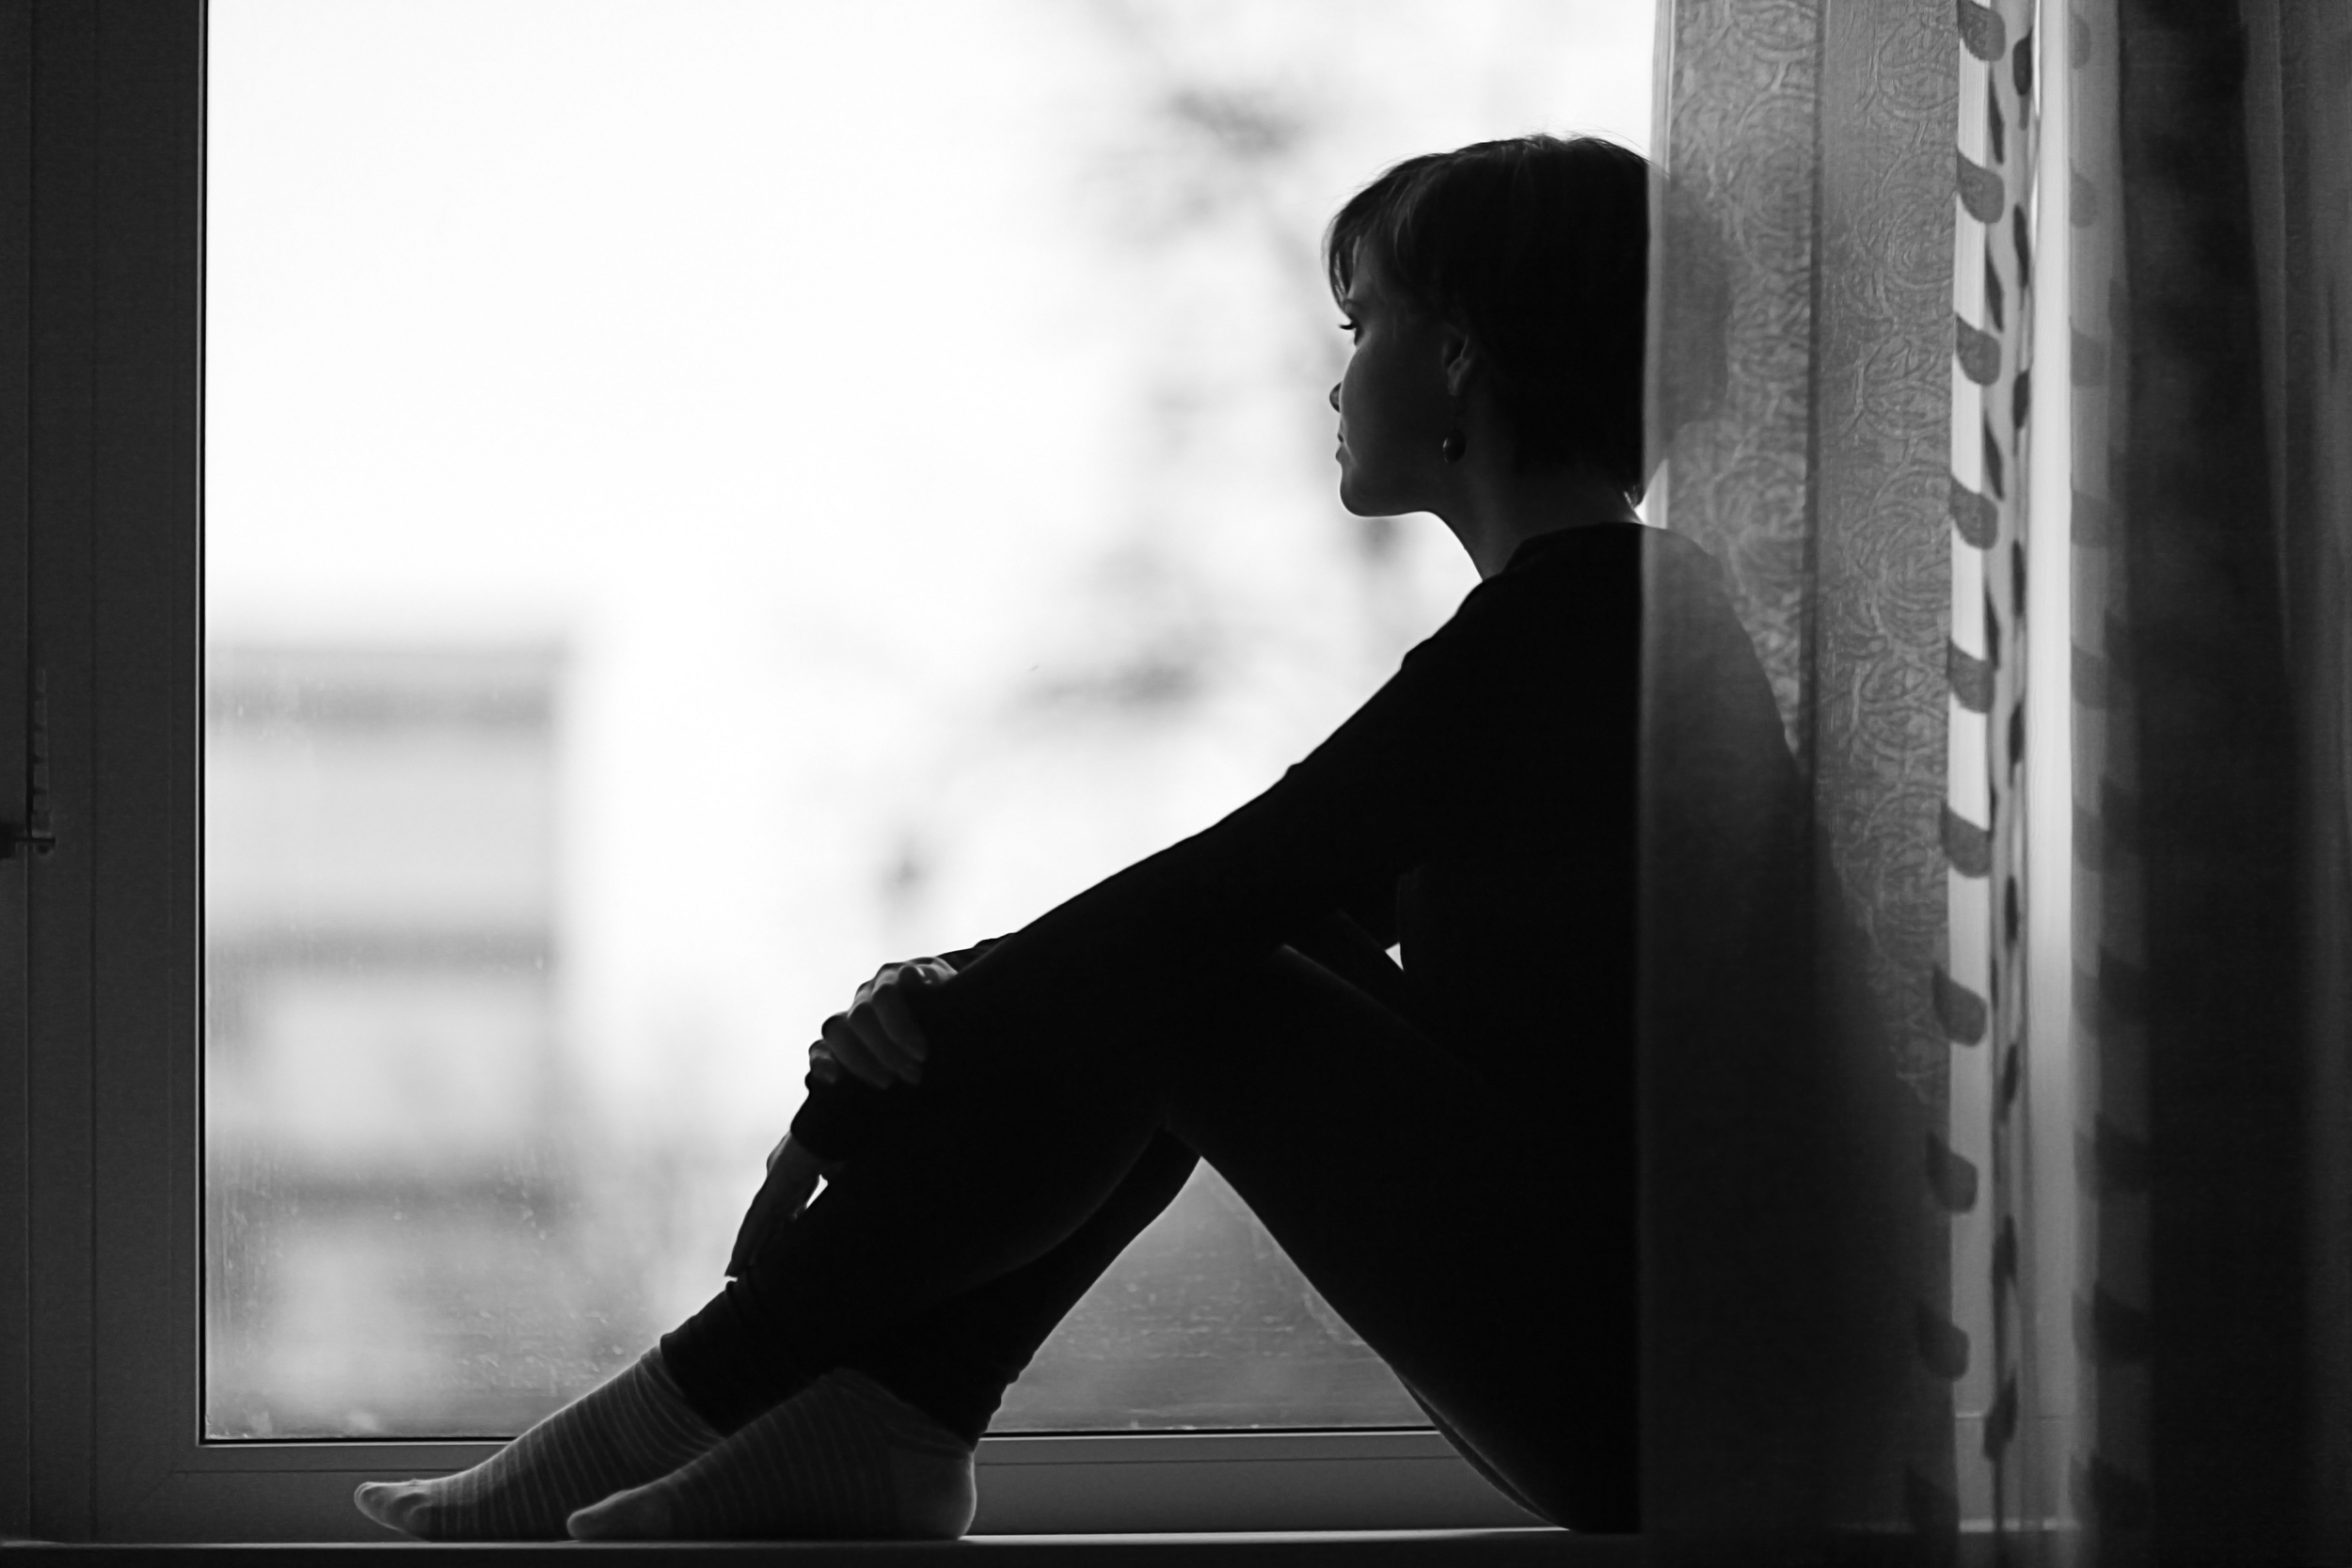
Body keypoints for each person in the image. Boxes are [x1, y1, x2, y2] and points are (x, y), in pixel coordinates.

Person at [353, 131, 1797, 1542]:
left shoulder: (1587, 627)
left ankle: (705, 1402)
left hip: (1644, 1389)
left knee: (1195, 977)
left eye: (1363, 324)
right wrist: (942, 999)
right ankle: (887, 1428)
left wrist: (900, 1052)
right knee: (1193, 976)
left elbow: (1223, 895)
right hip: (1636, 1373)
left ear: (1463, 356)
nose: (1336, 372)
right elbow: (1273, 910)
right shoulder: (1612, 626)